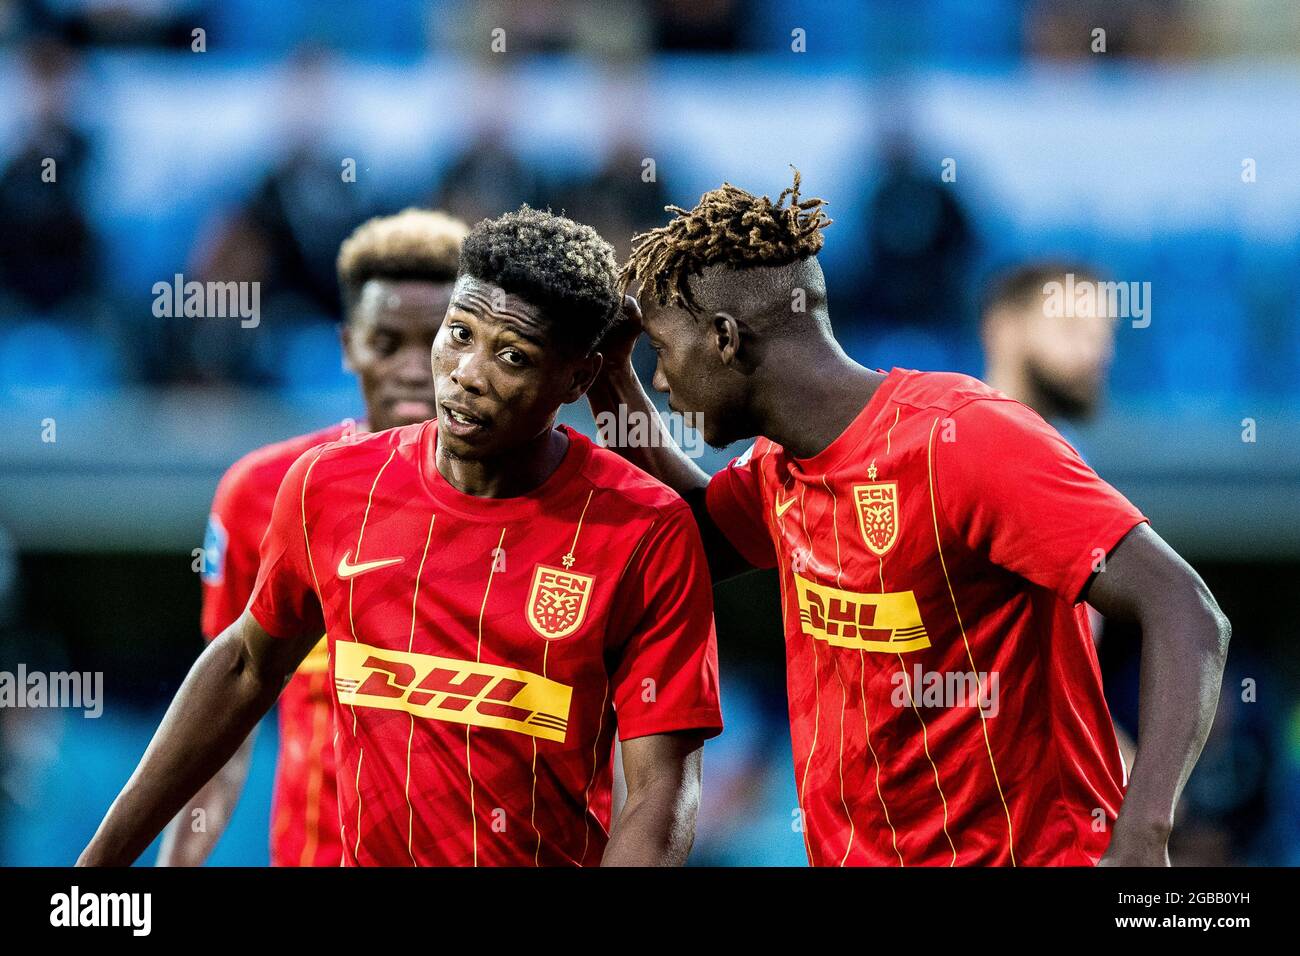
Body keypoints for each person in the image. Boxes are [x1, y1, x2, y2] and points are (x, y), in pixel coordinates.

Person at [588, 170, 1231, 866]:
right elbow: (688, 539)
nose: (661, 379)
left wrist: (1143, 838)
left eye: (662, 352)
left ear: (724, 340)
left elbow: (1186, 609)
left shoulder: (965, 440)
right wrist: (608, 381)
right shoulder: (782, 466)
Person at [80, 207, 722, 867]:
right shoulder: (327, 488)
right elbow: (244, 667)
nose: (465, 372)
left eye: (511, 355)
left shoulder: (646, 530)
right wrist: (98, 868)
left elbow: (660, 790)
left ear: (579, 379)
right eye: (459, 332)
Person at [156, 208, 467, 866]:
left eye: (437, 340)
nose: (416, 368)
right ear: (349, 343)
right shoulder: (263, 494)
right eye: (389, 342)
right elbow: (222, 733)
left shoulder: (532, 499)